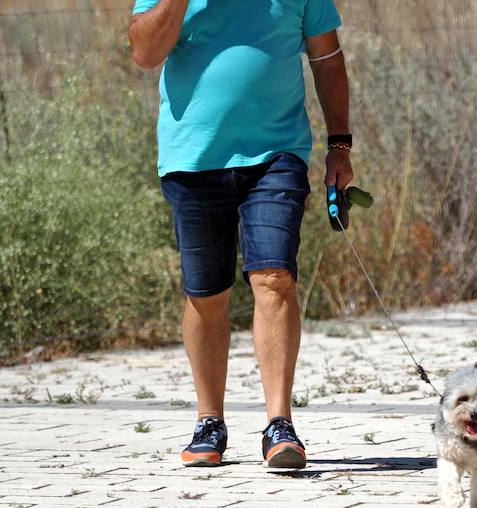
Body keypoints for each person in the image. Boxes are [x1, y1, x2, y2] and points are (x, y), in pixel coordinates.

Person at [127, 0, 352, 469]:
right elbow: (145, 53)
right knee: (207, 293)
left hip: (277, 155)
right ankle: (210, 421)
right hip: (192, 158)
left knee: (274, 276)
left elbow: (327, 60)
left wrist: (339, 146)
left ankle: (279, 424)